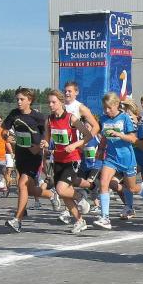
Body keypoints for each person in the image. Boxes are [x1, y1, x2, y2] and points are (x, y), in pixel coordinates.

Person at [3, 88, 62, 233]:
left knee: (21, 183)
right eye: (17, 99)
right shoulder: (14, 114)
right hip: (20, 155)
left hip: (34, 156)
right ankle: (51, 194)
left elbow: (47, 133)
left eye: (22, 99)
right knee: (28, 189)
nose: (18, 102)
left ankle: (17, 220)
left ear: (29, 100)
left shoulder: (38, 117)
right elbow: (4, 130)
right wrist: (6, 136)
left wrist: (42, 144)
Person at [40, 90, 94, 233]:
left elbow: (88, 135)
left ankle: (80, 197)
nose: (50, 105)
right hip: (58, 159)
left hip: (72, 159)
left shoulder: (71, 118)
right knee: (64, 194)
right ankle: (80, 221)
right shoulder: (49, 120)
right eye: (49, 102)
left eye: (53, 102)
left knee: (60, 189)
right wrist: (44, 143)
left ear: (61, 102)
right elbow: (47, 140)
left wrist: (75, 145)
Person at [93, 92, 141, 230]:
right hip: (111, 158)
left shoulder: (125, 118)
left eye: (109, 107)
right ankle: (105, 218)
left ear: (116, 105)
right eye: (104, 108)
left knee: (131, 188)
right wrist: (100, 149)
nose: (106, 110)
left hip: (127, 158)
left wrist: (119, 134)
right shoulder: (103, 119)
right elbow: (104, 136)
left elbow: (133, 139)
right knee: (104, 183)